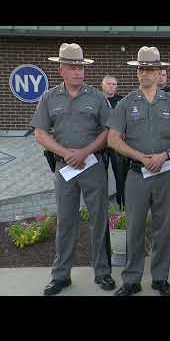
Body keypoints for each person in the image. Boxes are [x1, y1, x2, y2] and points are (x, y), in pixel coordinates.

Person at [106, 46, 170, 296]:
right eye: (141, 69)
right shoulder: (125, 103)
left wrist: (165, 154)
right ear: (137, 73)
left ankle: (160, 278)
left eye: (150, 69)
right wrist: (140, 157)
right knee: (134, 227)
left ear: (159, 72)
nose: (145, 73)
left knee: (163, 228)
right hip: (136, 174)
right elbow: (112, 138)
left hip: (165, 173)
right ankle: (131, 279)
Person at [31, 43, 115, 295]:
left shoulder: (97, 97)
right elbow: (40, 133)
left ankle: (102, 272)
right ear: (61, 70)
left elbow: (109, 131)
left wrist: (85, 151)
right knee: (66, 221)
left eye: (81, 67)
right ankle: (61, 275)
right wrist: (66, 153)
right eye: (72, 67)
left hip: (92, 166)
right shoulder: (49, 97)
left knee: (99, 219)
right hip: (64, 168)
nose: (78, 71)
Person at [101, 75, 125, 208]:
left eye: (114, 84)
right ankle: (102, 205)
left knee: (120, 174)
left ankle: (122, 204)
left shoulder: (122, 101)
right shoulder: (97, 100)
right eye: (108, 84)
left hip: (117, 143)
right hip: (101, 143)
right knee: (100, 176)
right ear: (102, 85)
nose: (111, 86)